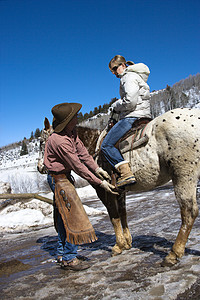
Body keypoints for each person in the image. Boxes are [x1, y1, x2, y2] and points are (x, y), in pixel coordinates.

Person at [44, 102, 117, 271]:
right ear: (68, 120)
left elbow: (83, 153)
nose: (78, 118)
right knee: (73, 217)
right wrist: (100, 182)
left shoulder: (71, 132)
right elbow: (78, 166)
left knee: (64, 217)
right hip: (58, 179)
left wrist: (97, 169)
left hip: (63, 177)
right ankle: (69, 259)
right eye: (75, 116)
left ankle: (63, 254)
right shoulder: (60, 141)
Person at [101, 55, 151, 188]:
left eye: (114, 69)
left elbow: (130, 101)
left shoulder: (128, 77)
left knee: (106, 145)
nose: (113, 73)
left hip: (133, 116)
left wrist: (116, 105)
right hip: (144, 114)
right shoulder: (136, 76)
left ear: (123, 65)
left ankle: (126, 173)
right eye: (112, 70)